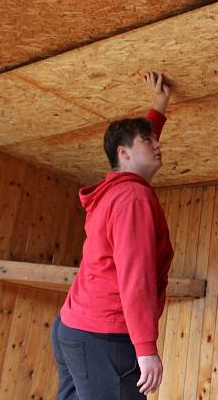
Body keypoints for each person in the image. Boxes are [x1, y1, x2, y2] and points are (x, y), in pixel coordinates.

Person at [51, 72, 174, 399]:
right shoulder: (132, 198)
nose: (157, 144)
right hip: (103, 337)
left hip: (74, 328)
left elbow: (137, 149)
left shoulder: (114, 192)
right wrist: (146, 349)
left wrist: (160, 104)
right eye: (149, 141)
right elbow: (135, 277)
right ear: (124, 153)